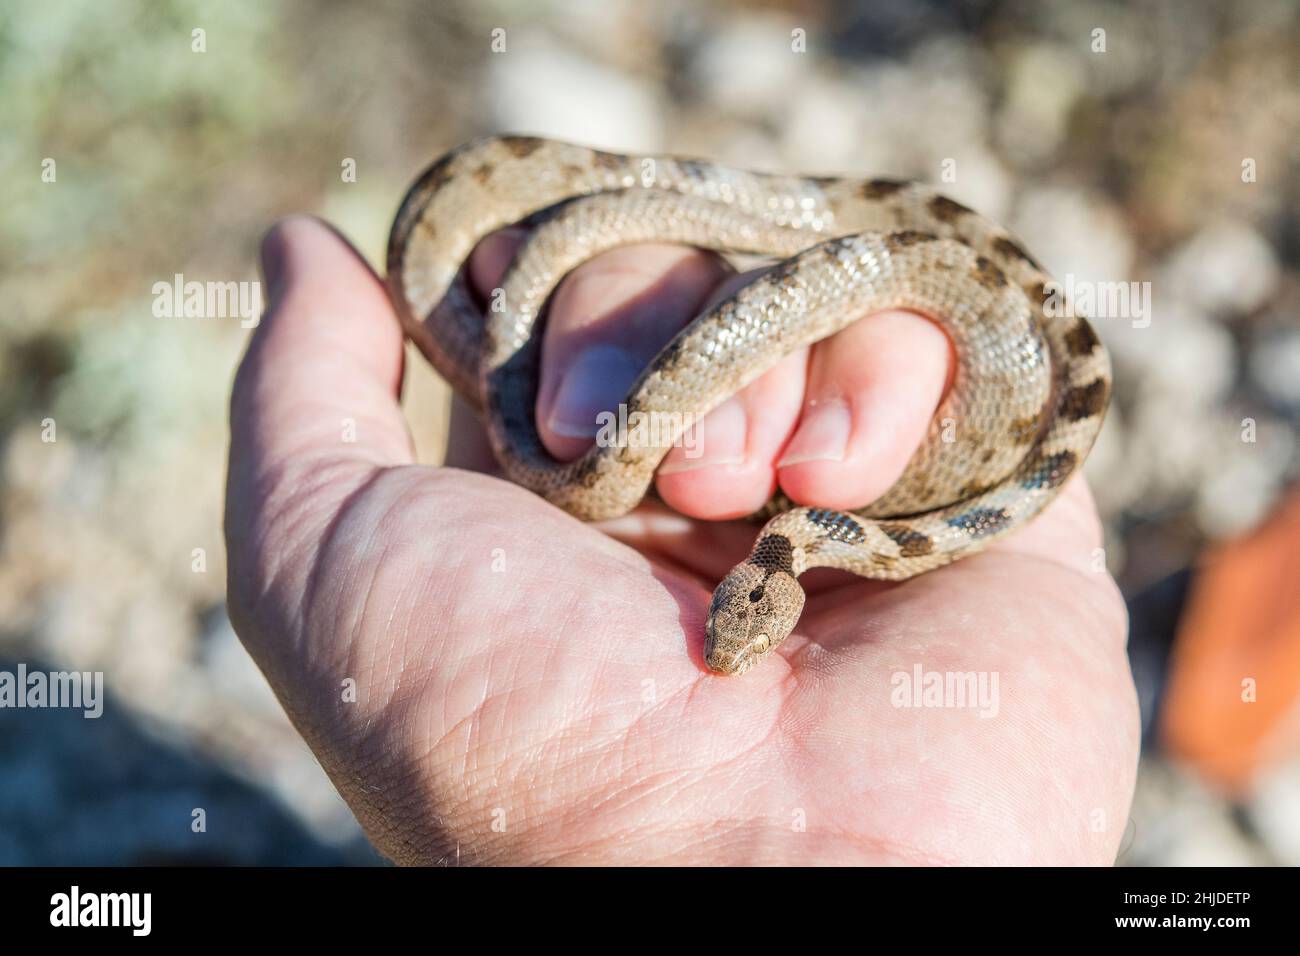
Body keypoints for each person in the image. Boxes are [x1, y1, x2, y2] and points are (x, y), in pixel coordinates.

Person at [225, 215, 1136, 865]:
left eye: (734, 630)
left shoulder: (814, 554)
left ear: (755, 584)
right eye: (728, 631)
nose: (725, 651)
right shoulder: (794, 550)